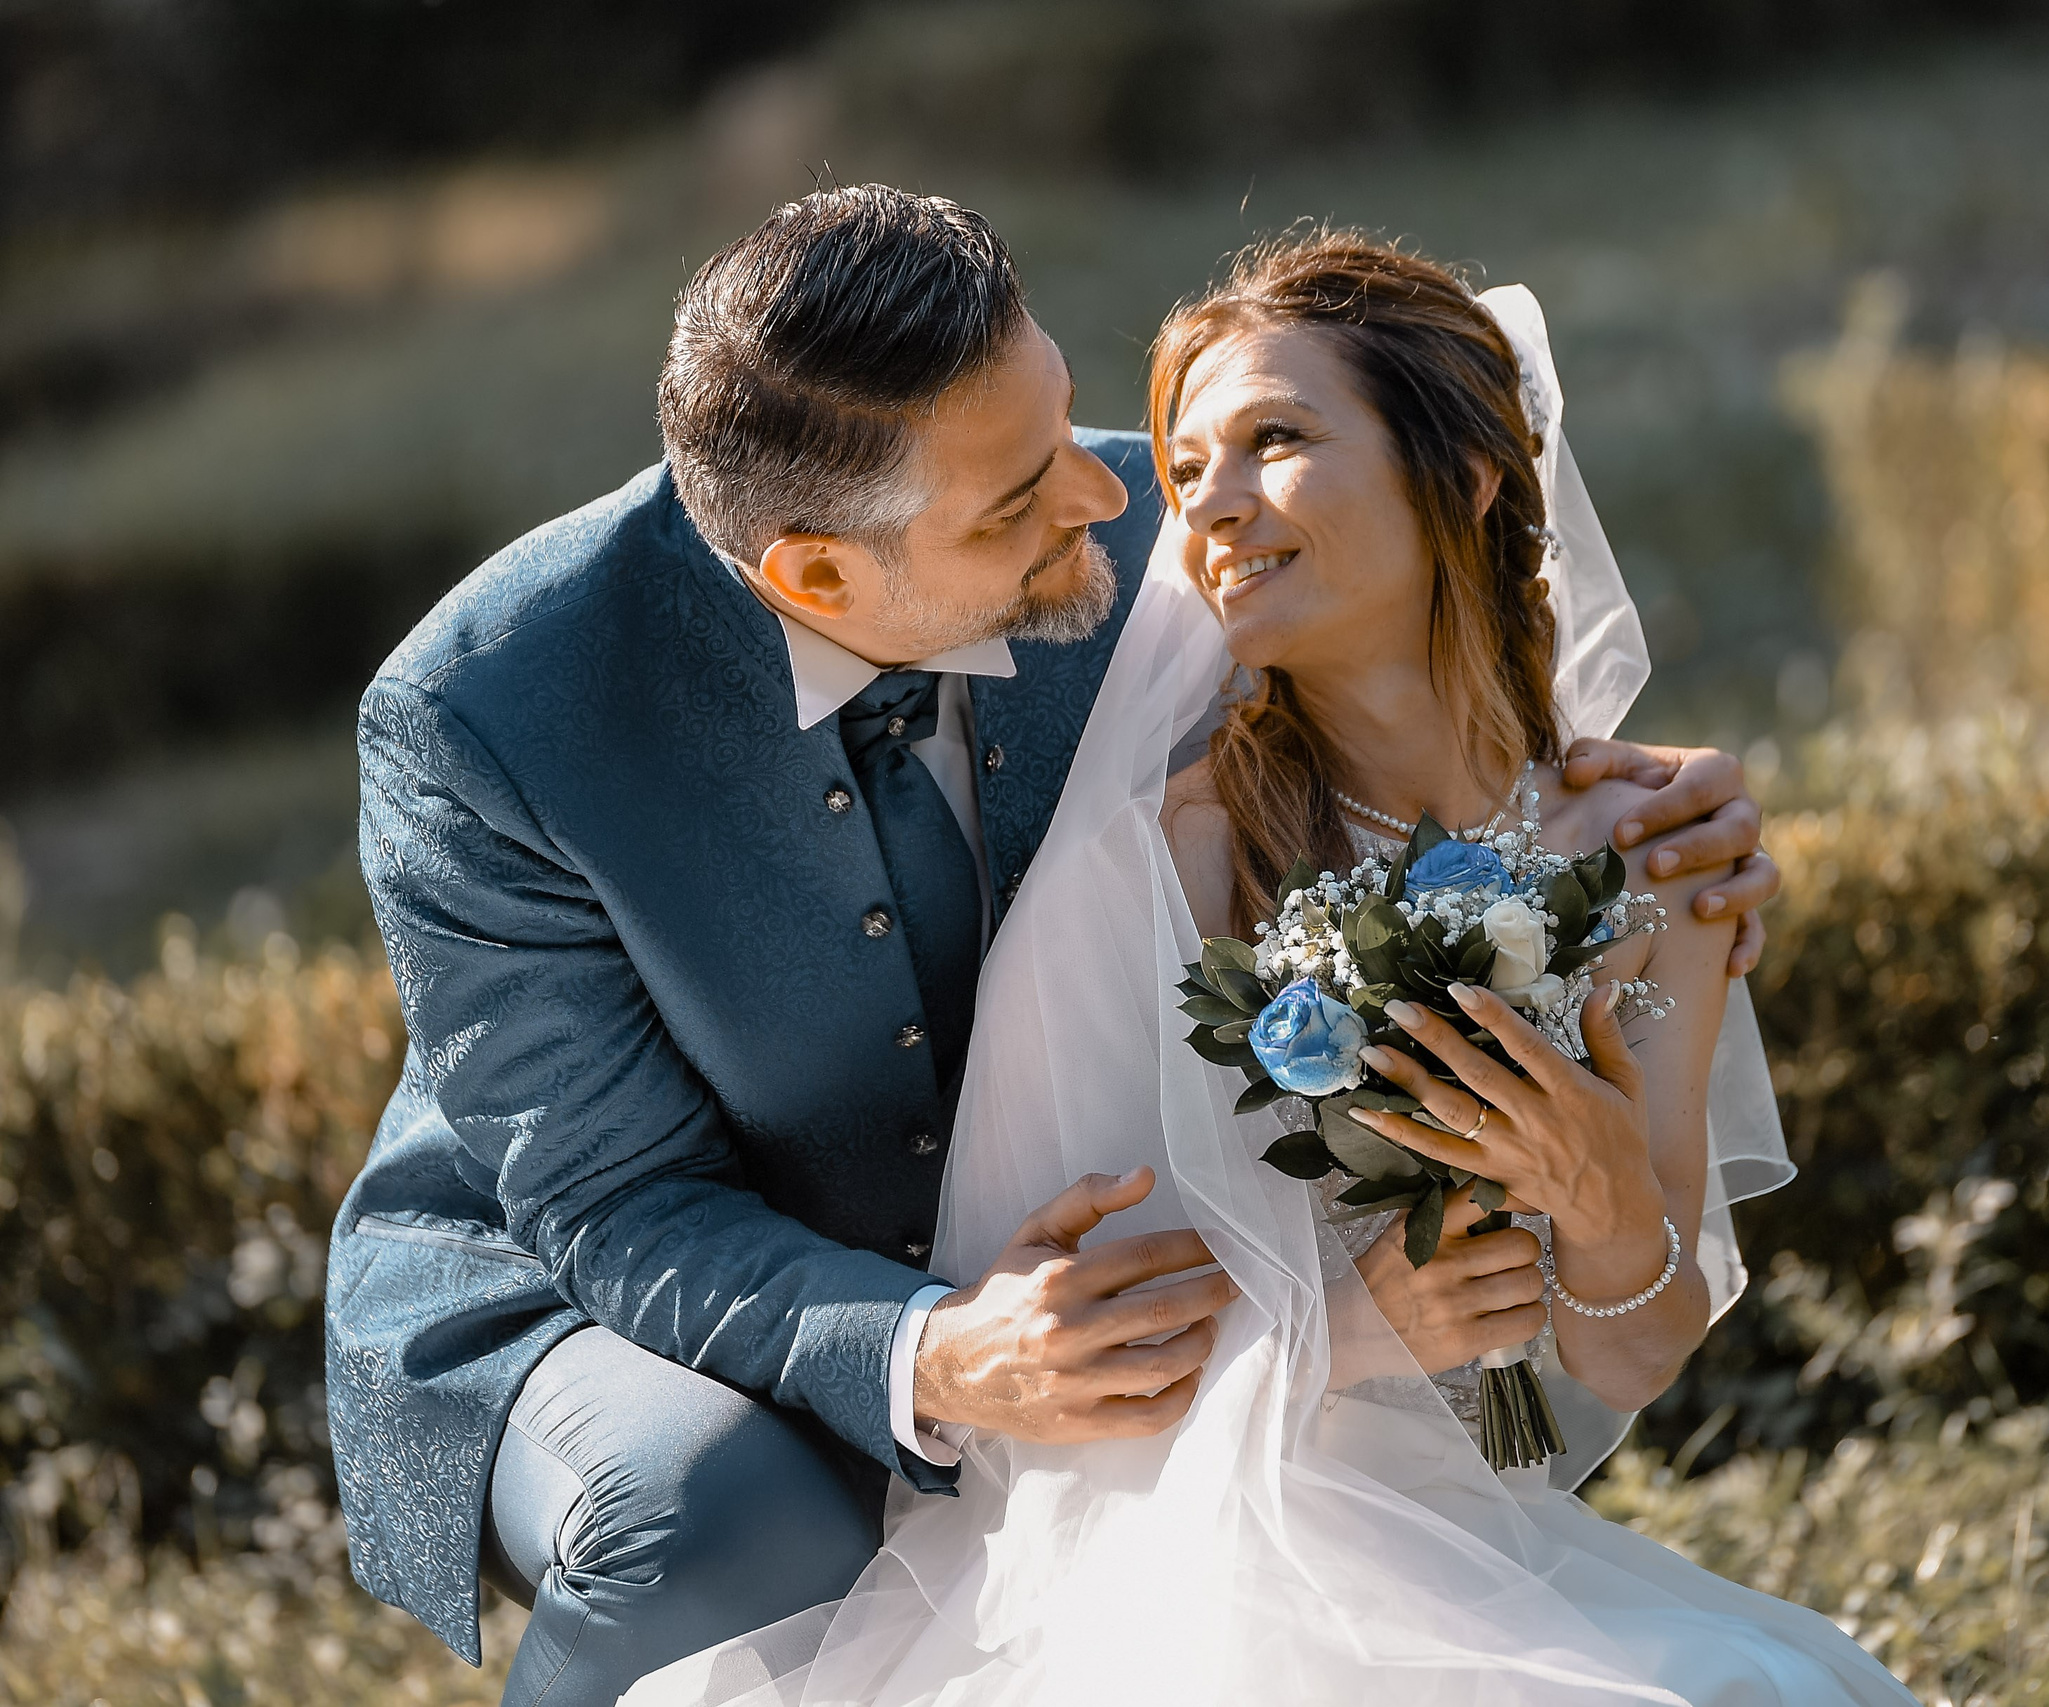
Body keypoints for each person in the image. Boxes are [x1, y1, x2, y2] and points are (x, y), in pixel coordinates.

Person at [323, 186, 1781, 1707]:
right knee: (729, 1518)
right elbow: (615, 1199)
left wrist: (1657, 844)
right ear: (820, 577)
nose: (1114, 502)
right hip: (596, 1283)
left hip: (1101, 1297)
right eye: (1018, 502)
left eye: (1071, 428)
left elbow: (1444, 707)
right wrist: (937, 1353)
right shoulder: (483, 713)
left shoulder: (1180, 537)